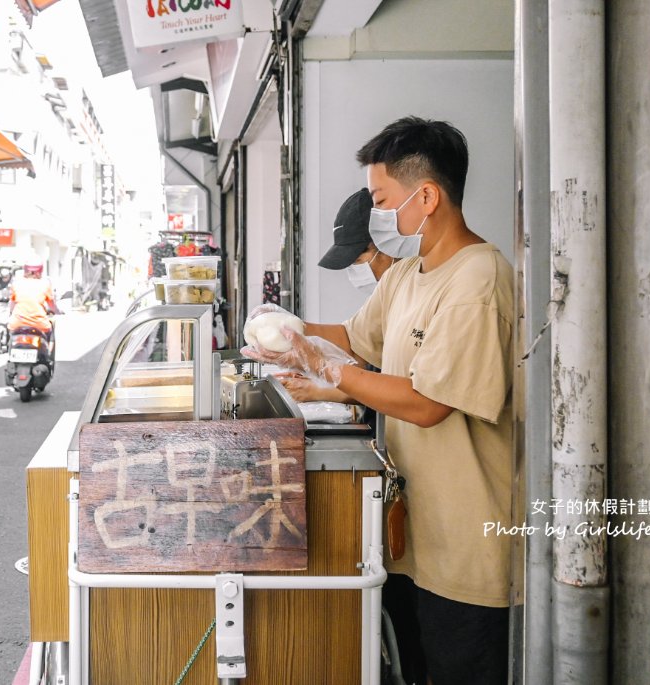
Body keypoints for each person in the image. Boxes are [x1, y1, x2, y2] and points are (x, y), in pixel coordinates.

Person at [243, 117, 514, 685]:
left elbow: (426, 403)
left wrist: (323, 368)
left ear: (427, 196)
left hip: (467, 548)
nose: (377, 215)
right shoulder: (409, 274)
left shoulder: (478, 282)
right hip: (414, 537)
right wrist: (291, 329)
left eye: (381, 199)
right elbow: (355, 336)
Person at [279, 188, 394, 403]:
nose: (356, 270)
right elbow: (354, 342)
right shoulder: (386, 297)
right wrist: (290, 331)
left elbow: (408, 392)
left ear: (389, 244)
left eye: (358, 261)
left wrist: (318, 385)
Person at [8, 259, 58, 335]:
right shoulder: (45, 284)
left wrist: (11, 313)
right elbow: (52, 306)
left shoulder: (16, 283)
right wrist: (57, 311)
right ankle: (49, 347)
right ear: (40, 270)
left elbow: (12, 306)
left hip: (17, 324)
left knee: (10, 335)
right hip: (40, 325)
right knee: (51, 330)